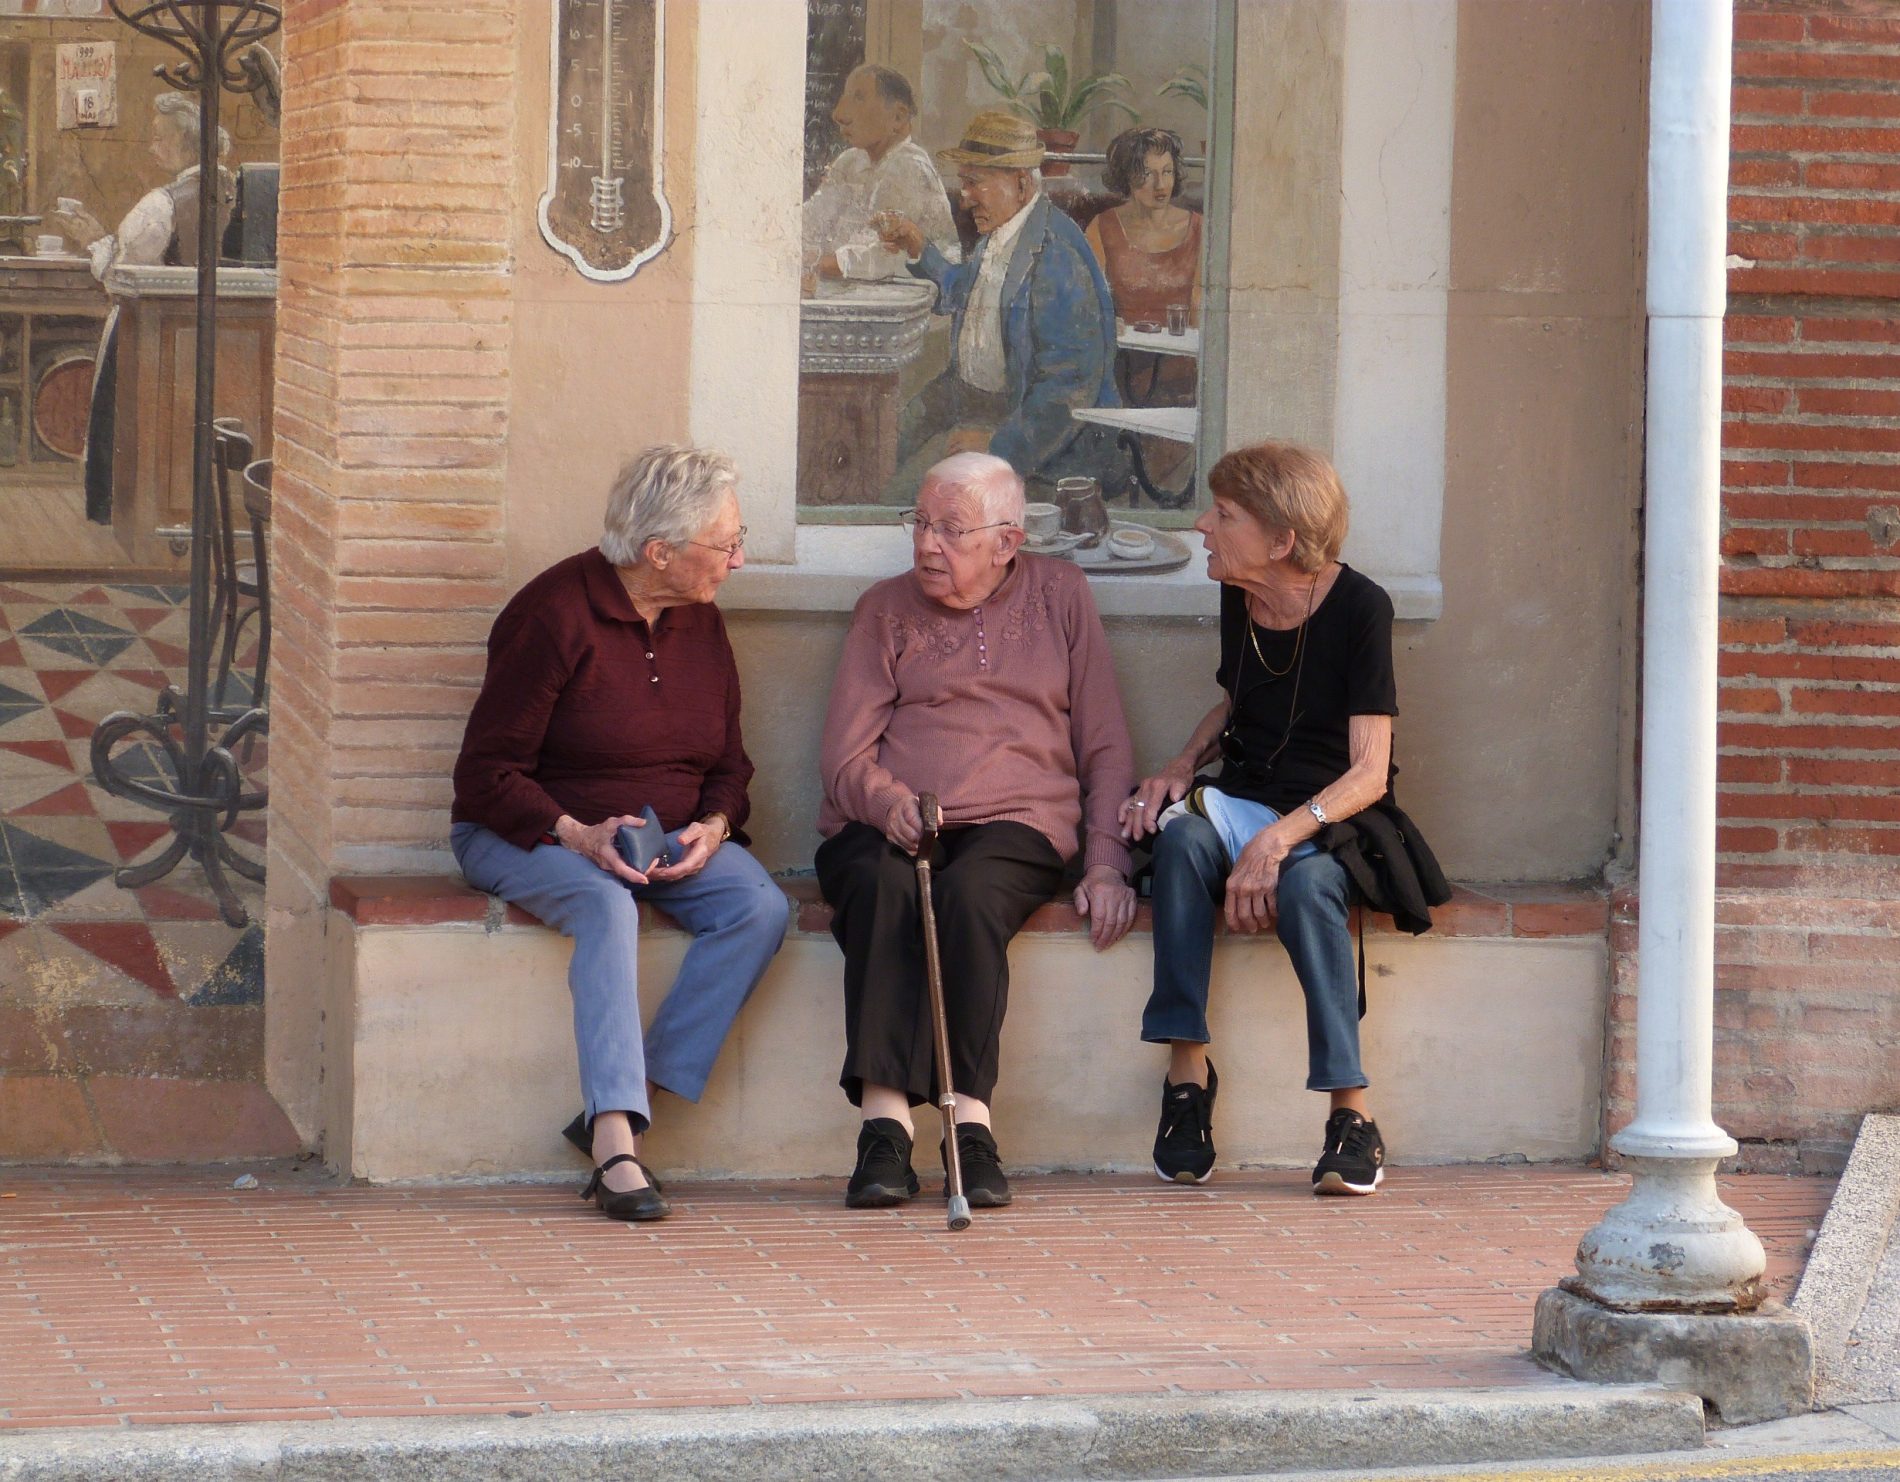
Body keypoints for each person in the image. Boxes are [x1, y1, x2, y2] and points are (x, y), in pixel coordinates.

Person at [450, 445, 788, 1222]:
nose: (738, 559)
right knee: (607, 906)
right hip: (529, 833)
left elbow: (731, 764)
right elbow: (485, 777)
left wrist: (715, 825)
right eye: (726, 544)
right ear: (659, 552)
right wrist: (577, 833)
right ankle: (614, 1143)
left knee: (759, 908)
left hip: (662, 836)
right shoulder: (553, 615)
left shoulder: (701, 622)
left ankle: (634, 1097)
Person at [816, 451, 1137, 1210]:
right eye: (920, 523)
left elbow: (1105, 743)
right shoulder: (884, 609)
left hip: (1016, 821)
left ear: (1008, 542)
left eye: (951, 531)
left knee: (967, 897)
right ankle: (885, 1133)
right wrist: (888, 800)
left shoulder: (1063, 595)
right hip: (889, 819)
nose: (928, 545)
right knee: (880, 885)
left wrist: (1104, 862)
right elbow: (843, 755)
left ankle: (970, 1128)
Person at [1121, 441, 1399, 1196]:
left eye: (1225, 514)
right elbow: (1235, 701)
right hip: (1244, 795)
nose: (1203, 525)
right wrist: (1182, 764)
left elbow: (1370, 770)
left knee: (1310, 890)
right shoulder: (1238, 594)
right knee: (1180, 842)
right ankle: (1186, 1078)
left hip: (1329, 810)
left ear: (1282, 541)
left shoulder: (1360, 608)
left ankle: (1351, 1113)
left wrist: (1279, 839)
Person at [877, 110, 1118, 483]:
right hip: (965, 396)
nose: (965, 199)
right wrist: (919, 249)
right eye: (964, 183)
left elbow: (1069, 387)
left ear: (1021, 185)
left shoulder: (1055, 256)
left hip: (1036, 443)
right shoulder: (1003, 232)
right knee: (881, 450)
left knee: (914, 495)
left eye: (975, 183)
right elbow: (966, 294)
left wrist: (996, 442)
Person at [50, 93, 234, 525]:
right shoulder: (232, 188)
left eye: (159, 139)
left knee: (129, 420)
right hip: (208, 333)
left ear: (187, 144)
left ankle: (116, 513)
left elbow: (119, 273)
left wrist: (95, 238)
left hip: (148, 333)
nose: (152, 148)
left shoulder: (161, 203)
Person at [802, 64, 958, 286]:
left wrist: (813, 263)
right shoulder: (850, 161)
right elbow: (811, 221)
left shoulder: (910, 166)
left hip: (907, 298)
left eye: (859, 98)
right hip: (853, 289)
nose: (839, 114)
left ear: (897, 117)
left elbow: (885, 257)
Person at [1086, 126, 1201, 409]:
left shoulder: (1199, 229)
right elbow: (1086, 304)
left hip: (1183, 375)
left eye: (1168, 172)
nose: (1160, 185)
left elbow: (1201, 317)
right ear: (1127, 176)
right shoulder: (1102, 228)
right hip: (1122, 368)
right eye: (1146, 175)